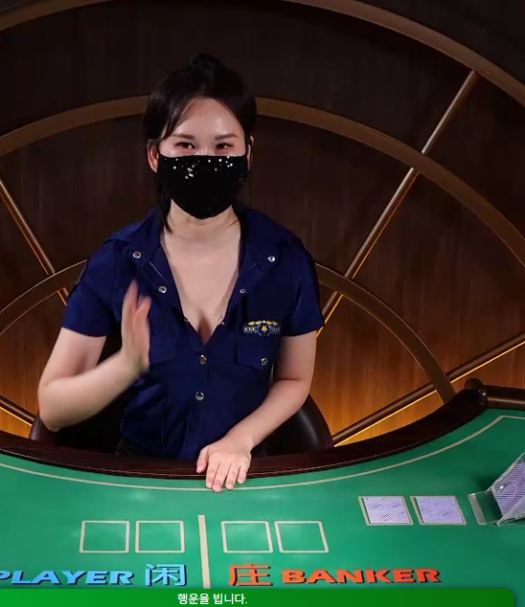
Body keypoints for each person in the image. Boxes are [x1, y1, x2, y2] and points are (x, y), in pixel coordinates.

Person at [37, 54, 323, 493]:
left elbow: (294, 379)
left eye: (223, 146)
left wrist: (240, 440)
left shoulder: (286, 259)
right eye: (186, 145)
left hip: (247, 475)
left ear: (248, 153)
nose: (205, 159)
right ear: (155, 155)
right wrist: (125, 366)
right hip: (139, 479)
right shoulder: (116, 261)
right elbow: (53, 409)